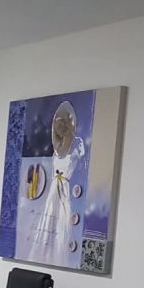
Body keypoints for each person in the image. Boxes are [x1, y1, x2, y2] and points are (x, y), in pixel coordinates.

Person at [27, 101, 85, 265]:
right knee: (48, 220)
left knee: (61, 221)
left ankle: (57, 256)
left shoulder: (77, 144)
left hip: (64, 189)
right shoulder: (56, 149)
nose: (58, 126)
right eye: (57, 123)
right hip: (54, 189)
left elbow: (79, 165)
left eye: (62, 122)